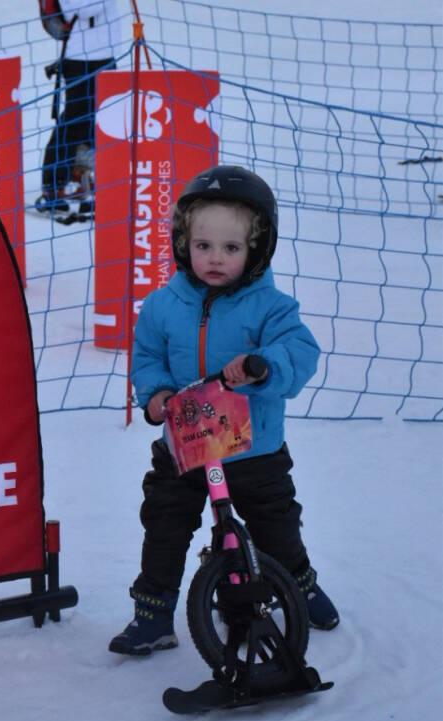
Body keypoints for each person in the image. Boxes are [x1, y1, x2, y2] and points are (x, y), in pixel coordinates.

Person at [109, 165, 339, 656]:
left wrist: (261, 367)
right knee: (165, 524)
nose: (215, 259)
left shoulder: (272, 308)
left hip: (254, 449)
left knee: (276, 523)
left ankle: (299, 585)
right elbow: (148, 358)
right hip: (185, 448)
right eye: (203, 246)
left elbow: (300, 352)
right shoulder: (161, 307)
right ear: (182, 243)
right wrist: (154, 397)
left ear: (256, 251)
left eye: (231, 249)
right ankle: (153, 615)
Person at [35, 0, 121, 217]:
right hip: (80, 57)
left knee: (98, 123)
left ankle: (82, 178)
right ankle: (54, 185)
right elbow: (84, 8)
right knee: (74, 122)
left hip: (105, 54)